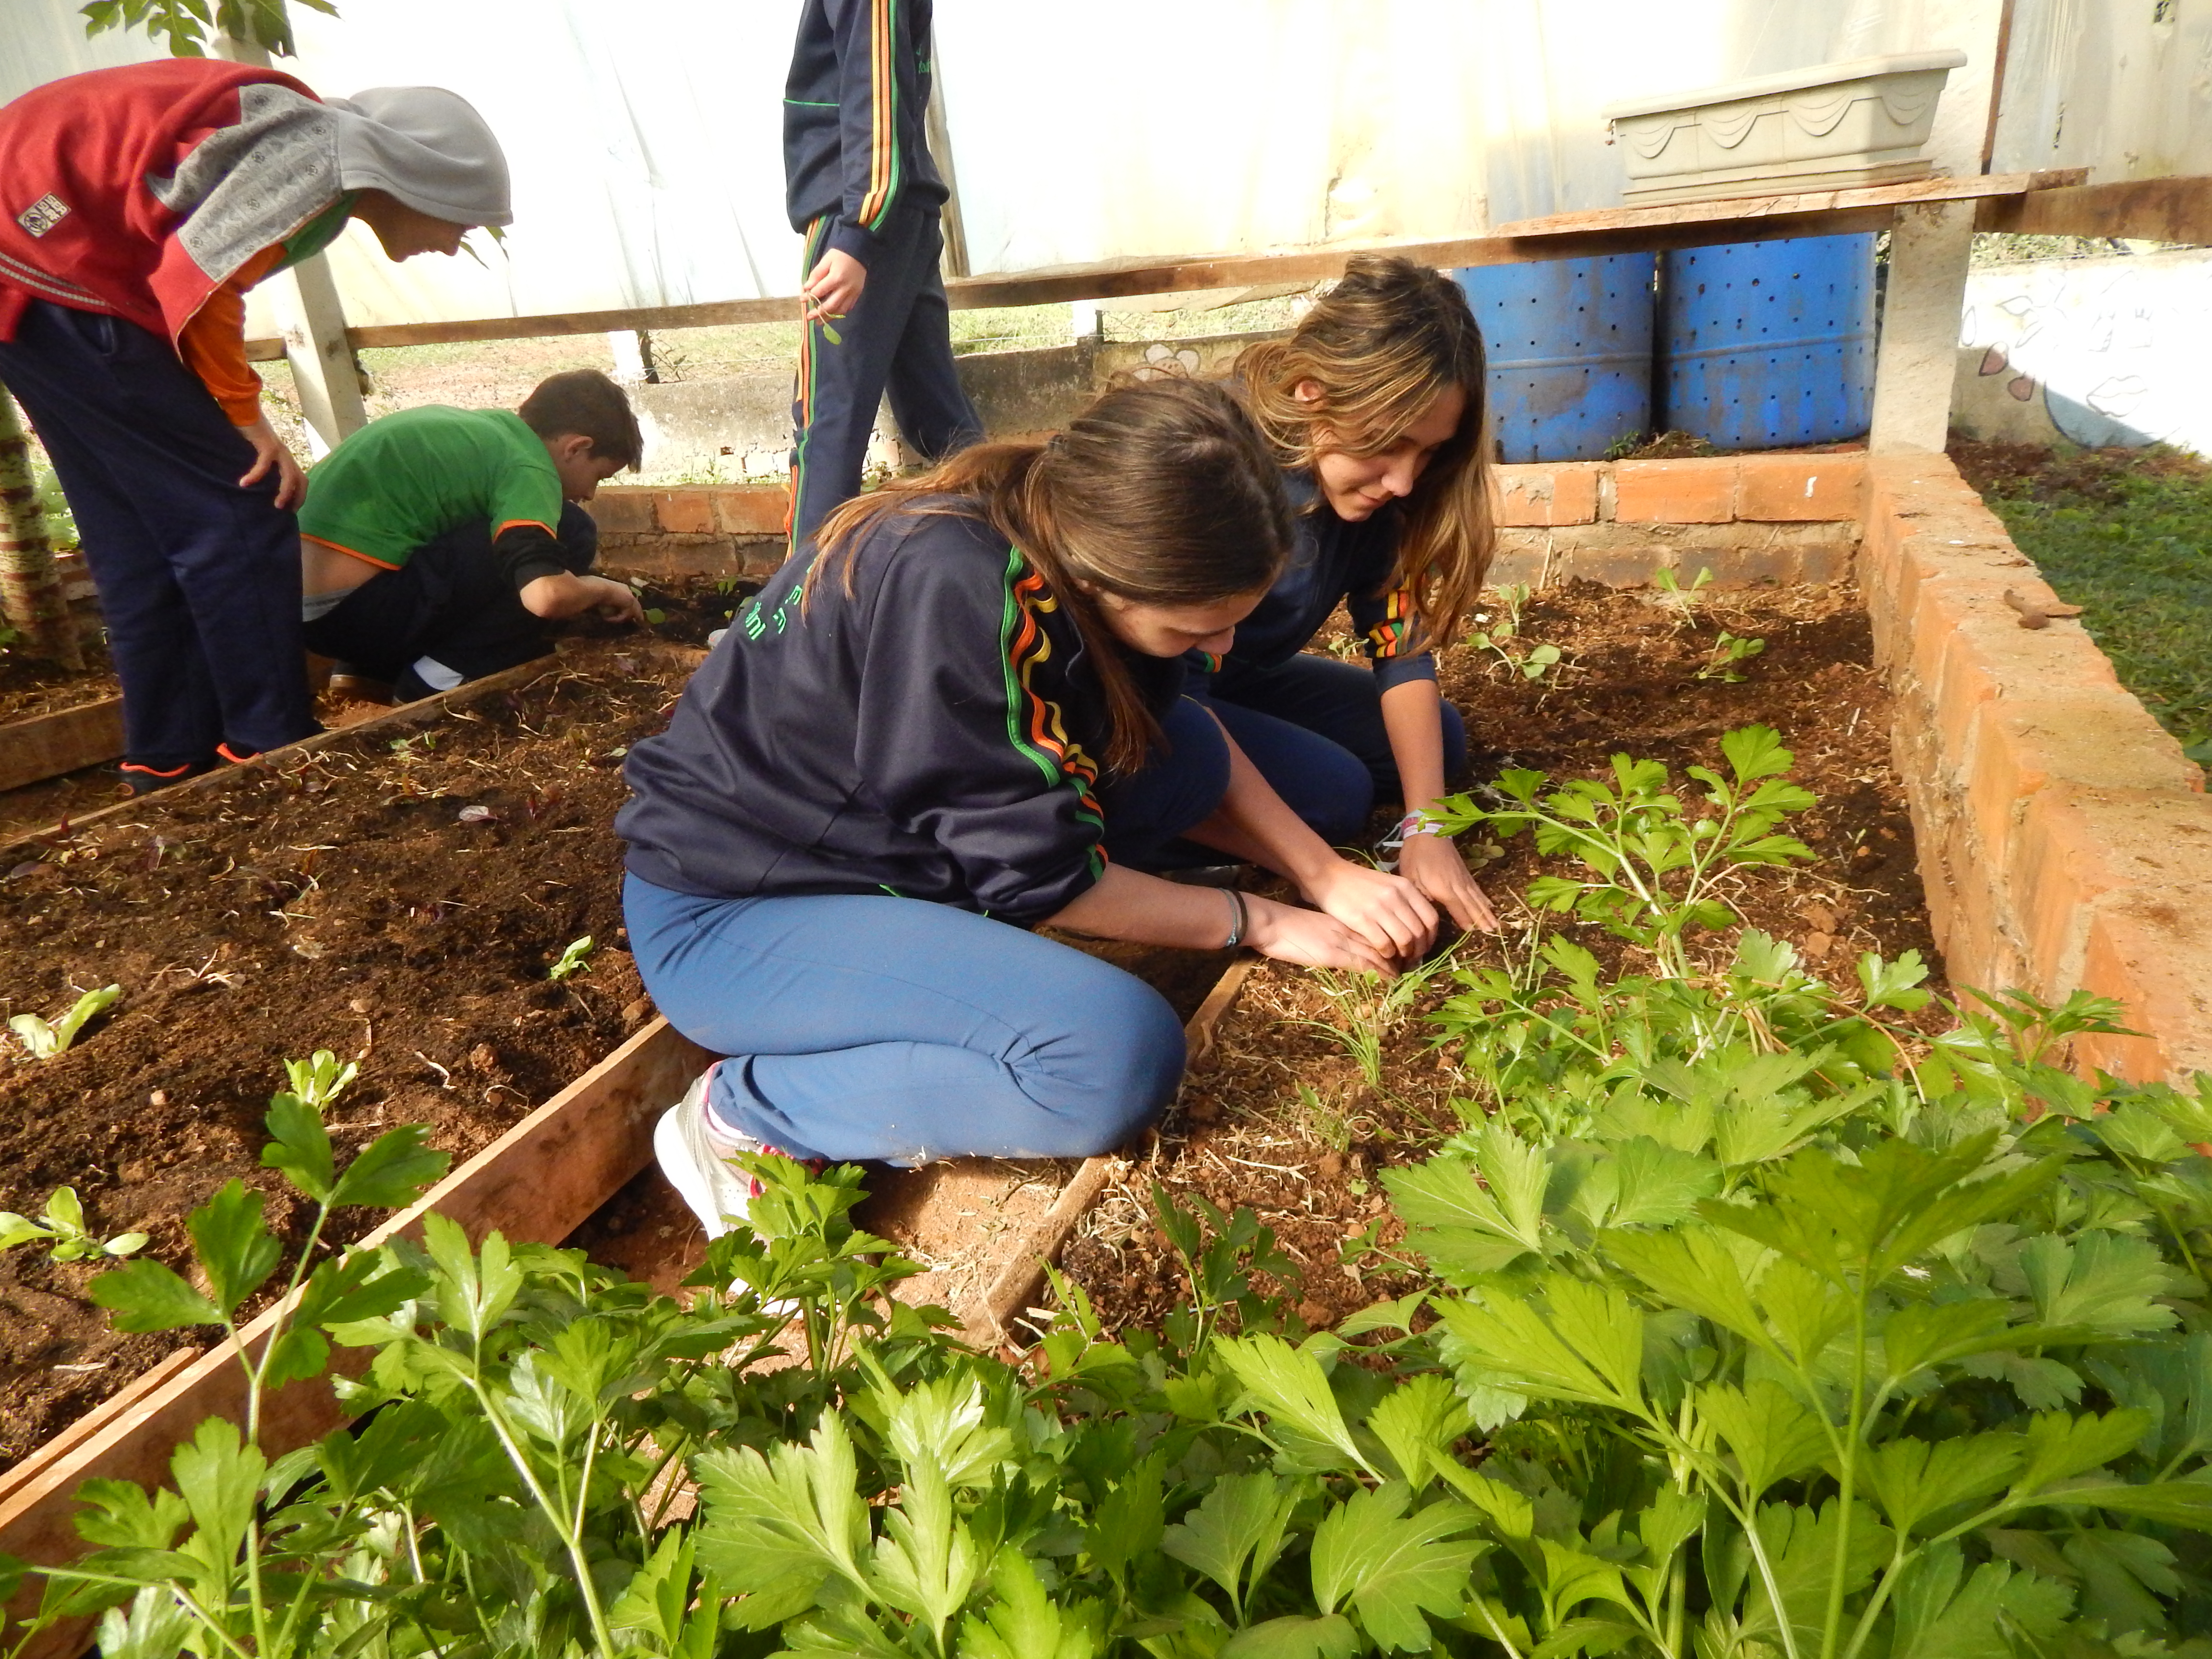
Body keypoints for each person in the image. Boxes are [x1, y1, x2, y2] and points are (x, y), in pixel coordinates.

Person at [616, 379, 1441, 1237]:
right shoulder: (959, 591)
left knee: (1194, 755)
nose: (1223, 648)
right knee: (1107, 1058)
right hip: (740, 916)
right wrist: (1258, 921)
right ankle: (751, 1117)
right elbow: (1049, 884)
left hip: (881, 861)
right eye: (1195, 631)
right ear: (1104, 574)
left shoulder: (1051, 532)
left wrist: (1321, 871)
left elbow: (1181, 727)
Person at [0, 58, 512, 792]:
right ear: (417, 177)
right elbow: (197, 284)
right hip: (55, 262)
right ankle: (270, 746)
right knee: (240, 508)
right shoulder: (317, 156)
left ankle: (167, 758)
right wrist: (245, 419)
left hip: (34, 283)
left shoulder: (314, 170)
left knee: (139, 539)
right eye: (463, 218)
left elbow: (185, 276)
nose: (456, 241)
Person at [1201, 254, 1502, 933]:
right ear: (1313, 390)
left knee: (1439, 741)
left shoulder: (1376, 504)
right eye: (1389, 444)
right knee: (1333, 798)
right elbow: (1166, 695)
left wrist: (1428, 823)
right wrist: (1321, 870)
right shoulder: (1214, 467)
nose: (1403, 480)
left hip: (1226, 681)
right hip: (1137, 708)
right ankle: (1146, 841)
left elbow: (1402, 652)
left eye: (1426, 455)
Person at [297, 371, 646, 701]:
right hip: (358, 615)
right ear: (576, 448)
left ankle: (371, 671)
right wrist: (602, 587)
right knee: (571, 528)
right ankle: (437, 680)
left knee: (483, 526)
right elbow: (546, 596)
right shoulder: (527, 464)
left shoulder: (479, 432)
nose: (591, 494)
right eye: (599, 475)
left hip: (303, 616)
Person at [782, 0, 983, 552]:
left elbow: (874, 95)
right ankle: (1018, 564)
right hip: (898, 210)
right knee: (940, 420)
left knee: (827, 424)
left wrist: (859, 234)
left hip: (864, 214)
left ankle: (801, 609)